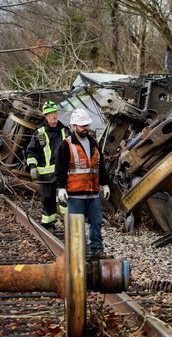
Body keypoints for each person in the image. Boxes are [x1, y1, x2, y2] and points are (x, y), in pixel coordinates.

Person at [54, 108, 110, 260]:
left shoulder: (94, 143)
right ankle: (76, 254)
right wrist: (60, 188)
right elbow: (60, 168)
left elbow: (101, 166)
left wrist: (105, 184)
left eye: (86, 125)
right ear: (74, 126)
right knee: (76, 227)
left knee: (96, 222)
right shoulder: (66, 145)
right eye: (82, 125)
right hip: (75, 194)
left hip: (92, 193)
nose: (85, 128)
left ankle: (97, 251)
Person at [26, 100, 70, 230]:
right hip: (45, 176)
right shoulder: (40, 133)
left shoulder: (65, 131)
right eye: (50, 114)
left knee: (65, 200)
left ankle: (69, 223)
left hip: (63, 174)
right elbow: (31, 152)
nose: (54, 116)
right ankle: (48, 224)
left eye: (55, 113)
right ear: (46, 116)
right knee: (47, 199)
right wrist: (33, 167)